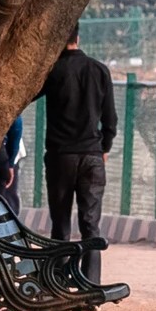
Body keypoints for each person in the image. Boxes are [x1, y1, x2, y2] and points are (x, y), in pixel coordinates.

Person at [40, 33, 118, 277]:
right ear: (79, 36)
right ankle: (90, 283)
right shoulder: (99, 70)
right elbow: (111, 119)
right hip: (92, 157)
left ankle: (60, 281)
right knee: (90, 226)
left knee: (61, 224)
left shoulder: (52, 71)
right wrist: (104, 148)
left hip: (60, 157)